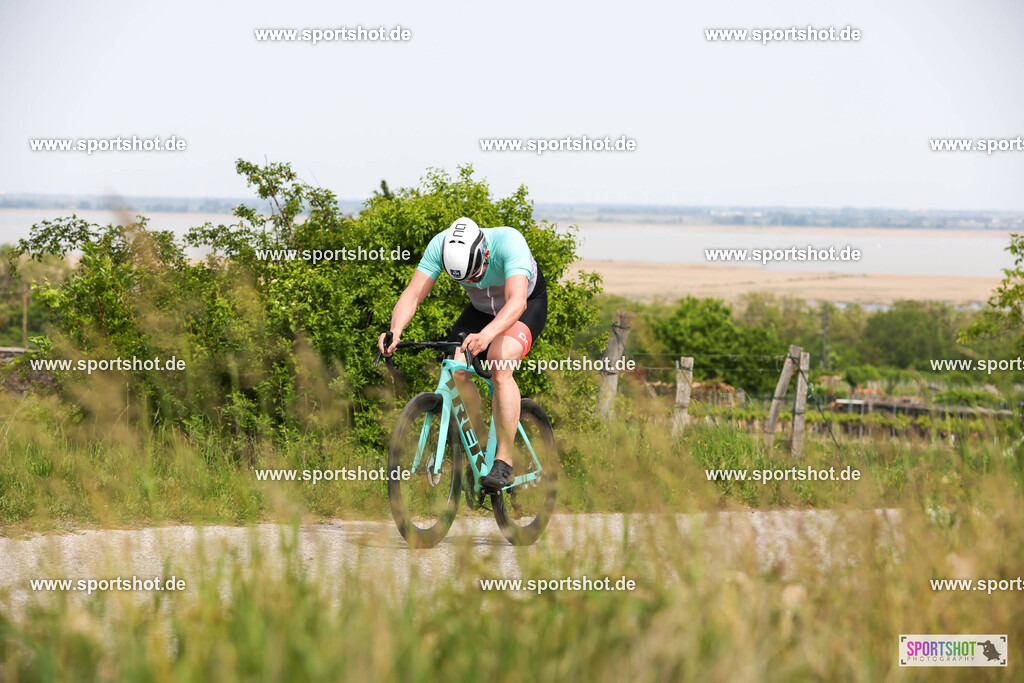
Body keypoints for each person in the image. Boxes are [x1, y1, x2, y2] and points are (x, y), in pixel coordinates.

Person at [378, 217, 547, 489]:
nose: (473, 281)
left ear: (485, 253)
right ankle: (481, 448)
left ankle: (504, 461)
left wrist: (488, 336)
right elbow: (412, 294)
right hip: (481, 311)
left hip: (524, 306)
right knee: (455, 370)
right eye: (466, 279)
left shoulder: (509, 242)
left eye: (476, 274)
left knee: (499, 362)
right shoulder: (439, 246)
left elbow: (517, 302)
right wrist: (395, 331)